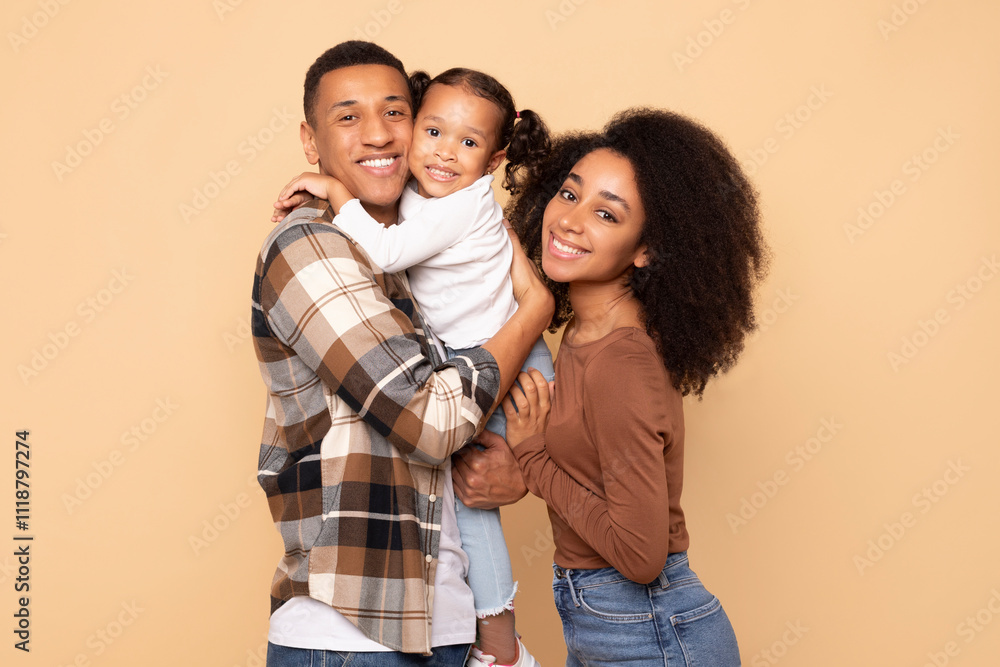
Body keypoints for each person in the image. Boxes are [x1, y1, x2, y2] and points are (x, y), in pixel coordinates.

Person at [252, 41, 553, 666]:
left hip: (444, 626)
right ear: (311, 143)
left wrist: (519, 467)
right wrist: (535, 314)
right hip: (351, 637)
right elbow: (432, 422)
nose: (379, 134)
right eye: (348, 117)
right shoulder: (312, 243)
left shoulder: (421, 235)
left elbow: (471, 454)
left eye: (395, 112)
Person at [455, 108, 768, 666]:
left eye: (606, 213)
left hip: (649, 628)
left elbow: (641, 555)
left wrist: (531, 462)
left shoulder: (621, 363)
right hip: (613, 621)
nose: (570, 221)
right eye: (569, 195)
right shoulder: (583, 332)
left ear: (646, 249)